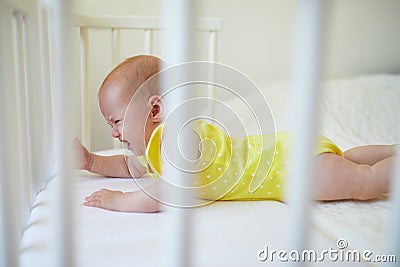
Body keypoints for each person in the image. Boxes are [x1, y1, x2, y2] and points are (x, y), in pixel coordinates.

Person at [75, 55, 398, 213]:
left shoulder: (178, 139)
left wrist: (120, 202)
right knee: (349, 161)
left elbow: (164, 192)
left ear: (154, 110)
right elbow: (126, 166)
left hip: (291, 169)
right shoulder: (159, 149)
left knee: (365, 183)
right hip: (293, 152)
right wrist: (91, 162)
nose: (116, 134)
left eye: (116, 121)